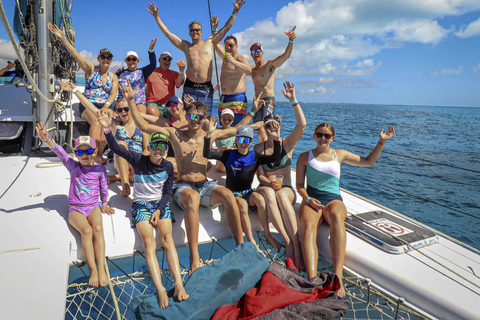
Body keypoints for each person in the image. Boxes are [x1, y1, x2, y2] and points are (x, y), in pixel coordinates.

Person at [122, 79, 259, 273]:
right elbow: (144, 127)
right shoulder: (175, 134)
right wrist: (129, 101)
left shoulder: (207, 134)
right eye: (193, 115)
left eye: (201, 117)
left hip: (205, 184)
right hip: (183, 187)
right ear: (187, 115)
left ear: (204, 118)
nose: (196, 119)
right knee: (193, 198)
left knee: (229, 195)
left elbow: (235, 129)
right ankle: (195, 259)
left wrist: (256, 118)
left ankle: (240, 247)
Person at [97, 112, 189, 309]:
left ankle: (178, 283)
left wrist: (159, 209)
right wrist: (106, 129)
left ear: (166, 150)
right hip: (140, 205)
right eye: (154, 146)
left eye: (162, 147)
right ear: (149, 148)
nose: (158, 150)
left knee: (167, 239)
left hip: (159, 204)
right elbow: (114, 148)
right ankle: (161, 289)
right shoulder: (139, 159)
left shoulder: (167, 167)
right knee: (149, 242)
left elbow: (166, 193)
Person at [296, 123, 395, 297]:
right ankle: (312, 280)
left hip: (333, 199)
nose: (323, 138)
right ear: (314, 136)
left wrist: (381, 142)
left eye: (327, 136)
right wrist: (308, 199)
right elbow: (299, 186)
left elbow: (368, 162)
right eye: (319, 134)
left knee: (336, 217)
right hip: (313, 199)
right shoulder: (305, 156)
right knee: (309, 227)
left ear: (333, 138)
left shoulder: (339, 154)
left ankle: (338, 278)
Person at [35, 122, 114, 287]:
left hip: (93, 207)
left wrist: (104, 203)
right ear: (76, 154)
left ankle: (102, 269)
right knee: (86, 231)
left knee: (98, 229)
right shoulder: (73, 167)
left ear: (95, 152)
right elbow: (60, 152)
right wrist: (47, 139)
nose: (84, 155)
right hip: (76, 209)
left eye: (88, 151)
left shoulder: (100, 170)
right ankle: (93, 269)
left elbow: (104, 188)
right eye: (80, 152)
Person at [146, 0, 246, 117]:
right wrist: (157, 17)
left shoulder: (211, 42)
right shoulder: (186, 46)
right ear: (189, 33)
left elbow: (226, 27)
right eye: (192, 30)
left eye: (197, 29)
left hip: (206, 88)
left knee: (205, 119)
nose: (195, 32)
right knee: (189, 118)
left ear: (201, 31)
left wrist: (235, 11)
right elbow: (168, 34)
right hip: (190, 87)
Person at [60, 82, 148, 197]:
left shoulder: (142, 125)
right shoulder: (116, 125)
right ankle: (125, 183)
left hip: (138, 161)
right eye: (120, 110)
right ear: (116, 112)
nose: (123, 112)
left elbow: (147, 149)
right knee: (121, 144)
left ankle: (118, 177)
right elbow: (93, 109)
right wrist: (75, 90)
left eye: (126, 109)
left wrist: (141, 165)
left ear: (132, 109)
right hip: (121, 161)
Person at [48, 22, 119, 164]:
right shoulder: (91, 69)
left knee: (108, 124)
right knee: (96, 120)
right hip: (88, 104)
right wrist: (63, 38)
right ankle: (93, 153)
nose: (106, 60)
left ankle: (100, 153)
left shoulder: (114, 76)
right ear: (98, 58)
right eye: (103, 57)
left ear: (111, 60)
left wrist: (106, 105)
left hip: (105, 105)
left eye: (108, 58)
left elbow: (113, 94)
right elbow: (75, 55)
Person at [253, 81, 306, 270]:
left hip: (286, 191)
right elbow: (260, 176)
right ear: (264, 130)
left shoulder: (287, 145)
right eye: (268, 127)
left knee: (282, 195)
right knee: (268, 192)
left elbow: (302, 125)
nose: (271, 129)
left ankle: (296, 245)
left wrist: (294, 100)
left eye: (275, 126)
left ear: (280, 126)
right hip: (268, 188)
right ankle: (288, 241)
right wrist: (268, 181)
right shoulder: (258, 148)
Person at [204, 121, 281, 246]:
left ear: (251, 142)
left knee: (260, 200)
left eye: (247, 140)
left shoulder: (254, 156)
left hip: (247, 192)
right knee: (242, 205)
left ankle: (267, 234)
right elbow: (207, 154)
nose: (243, 143)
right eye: (240, 139)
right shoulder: (228, 154)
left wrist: (276, 140)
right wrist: (208, 135)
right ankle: (251, 242)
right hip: (233, 194)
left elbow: (275, 158)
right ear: (236, 140)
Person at [250, 27, 296, 141]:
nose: (255, 53)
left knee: (265, 126)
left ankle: (272, 148)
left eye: (258, 50)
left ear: (262, 52)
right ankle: (262, 151)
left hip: (268, 100)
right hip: (257, 102)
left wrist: (290, 40)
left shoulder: (269, 65)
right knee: (260, 131)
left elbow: (285, 56)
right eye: (253, 51)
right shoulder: (251, 69)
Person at [211, 17, 251, 125]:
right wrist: (215, 29)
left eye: (231, 45)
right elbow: (216, 44)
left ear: (236, 46)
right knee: (224, 128)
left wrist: (234, 61)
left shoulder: (240, 59)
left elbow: (249, 70)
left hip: (237, 98)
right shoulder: (225, 57)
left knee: (236, 128)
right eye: (226, 45)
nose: (228, 47)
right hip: (224, 98)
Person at [116, 39, 158, 112]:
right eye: (129, 59)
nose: (131, 61)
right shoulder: (120, 74)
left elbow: (153, 65)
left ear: (137, 61)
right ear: (126, 61)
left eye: (134, 59)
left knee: (141, 112)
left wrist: (151, 50)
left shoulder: (142, 72)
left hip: (139, 103)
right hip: (124, 103)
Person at [145, 51, 186, 118]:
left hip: (169, 104)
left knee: (182, 114)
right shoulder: (150, 71)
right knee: (152, 111)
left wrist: (181, 71)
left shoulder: (174, 74)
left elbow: (179, 83)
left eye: (169, 60)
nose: (167, 61)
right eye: (164, 59)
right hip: (153, 103)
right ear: (159, 60)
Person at [214, 109, 236, 173]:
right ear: (220, 119)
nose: (227, 121)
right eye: (224, 119)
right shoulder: (216, 131)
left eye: (229, 119)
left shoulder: (235, 131)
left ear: (233, 120)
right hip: (221, 161)